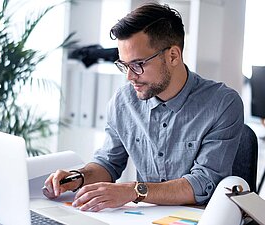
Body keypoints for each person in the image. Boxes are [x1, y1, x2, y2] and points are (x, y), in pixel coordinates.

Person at [44, 2, 244, 212]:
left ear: (173, 56)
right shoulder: (123, 101)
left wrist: (134, 191)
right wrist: (78, 177)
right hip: (143, 217)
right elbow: (108, 162)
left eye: (138, 64)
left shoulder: (222, 103)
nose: (129, 76)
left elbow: (204, 182)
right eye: (124, 65)